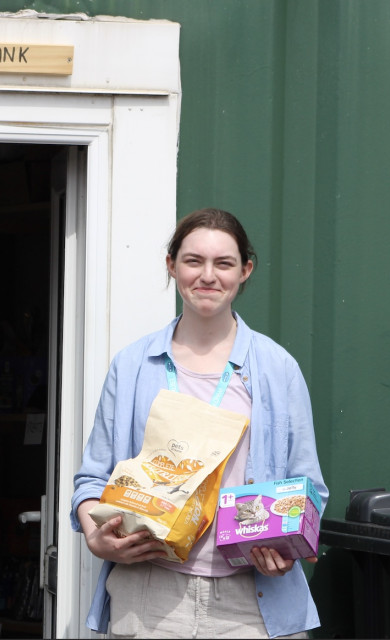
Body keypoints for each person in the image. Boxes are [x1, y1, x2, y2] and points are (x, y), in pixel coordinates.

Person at [71, 208, 328, 639]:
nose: (208, 276)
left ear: (245, 271)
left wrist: (286, 547)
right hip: (149, 592)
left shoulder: (277, 368)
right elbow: (92, 478)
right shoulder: (133, 365)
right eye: (193, 261)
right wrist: (95, 536)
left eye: (223, 263)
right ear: (171, 266)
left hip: (251, 600)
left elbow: (308, 490)